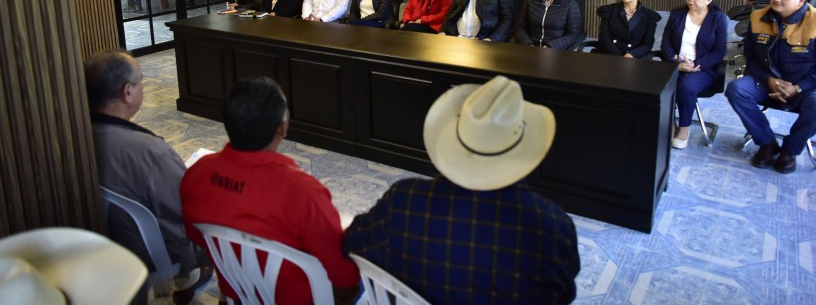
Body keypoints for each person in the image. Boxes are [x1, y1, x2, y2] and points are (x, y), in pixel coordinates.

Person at [344, 76, 580, 303]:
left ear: (454, 138)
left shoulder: (403, 199)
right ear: (524, 148)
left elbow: (353, 242)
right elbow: (562, 295)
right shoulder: (550, 226)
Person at [181, 76, 360, 305]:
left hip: (237, 291)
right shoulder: (304, 192)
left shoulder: (197, 173)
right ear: (282, 127)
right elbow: (344, 275)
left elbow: (197, 236)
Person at [85, 50, 210, 305]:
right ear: (128, 92)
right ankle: (190, 275)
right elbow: (185, 211)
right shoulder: (151, 152)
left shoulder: (75, 135)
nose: (143, 86)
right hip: (150, 251)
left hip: (99, 239)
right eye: (141, 80)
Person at [726, 0, 816, 173]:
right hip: (767, 82)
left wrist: (798, 87)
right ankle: (767, 143)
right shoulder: (758, 18)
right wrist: (769, 79)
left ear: (801, 0)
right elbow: (751, 57)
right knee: (736, 90)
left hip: (807, 85)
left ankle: (790, 150)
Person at [660, 0, 729, 149]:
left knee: (686, 86)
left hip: (703, 68)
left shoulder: (718, 18)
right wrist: (676, 63)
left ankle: (684, 127)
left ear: (708, 0)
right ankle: (669, 122)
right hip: (676, 64)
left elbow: (719, 51)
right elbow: (666, 42)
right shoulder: (677, 14)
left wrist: (696, 65)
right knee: (661, 84)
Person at [514, 0, 582, 49]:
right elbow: (520, 27)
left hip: (555, 49)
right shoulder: (529, 1)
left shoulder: (570, 5)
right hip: (531, 47)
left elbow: (572, 34)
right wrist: (529, 45)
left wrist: (550, 46)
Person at [595, 0, 662, 58]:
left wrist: (631, 54)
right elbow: (604, 37)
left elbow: (647, 44)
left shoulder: (649, 15)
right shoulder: (609, 10)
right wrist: (619, 57)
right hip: (610, 54)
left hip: (634, 56)